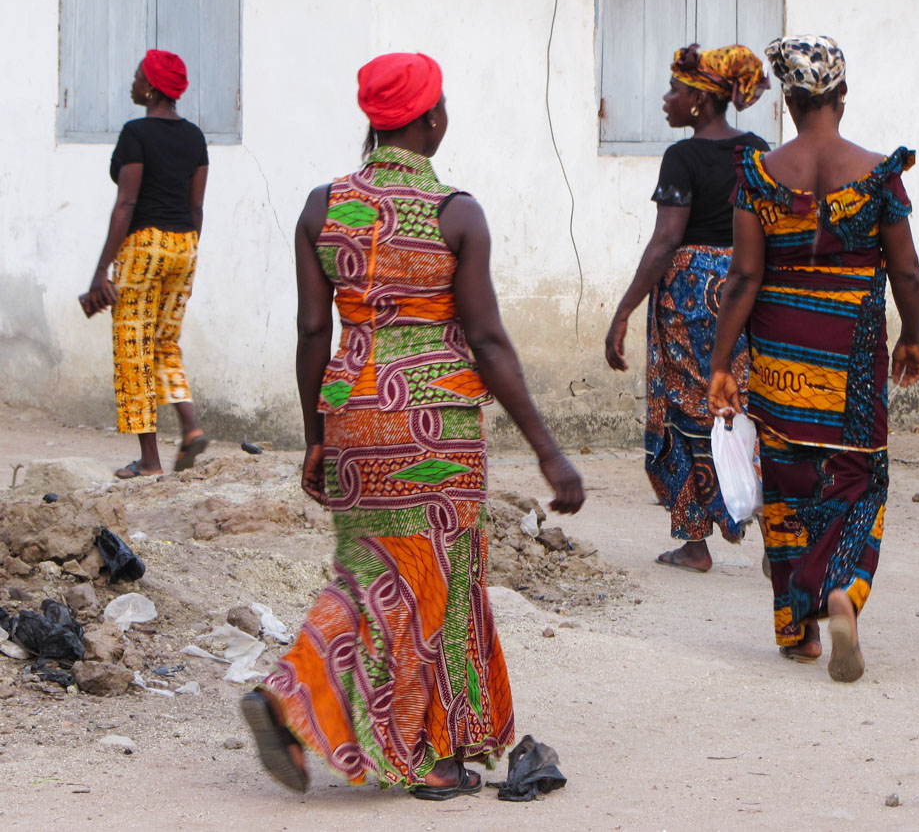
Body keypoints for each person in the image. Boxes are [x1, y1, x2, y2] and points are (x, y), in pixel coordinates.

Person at [240, 53, 585, 798]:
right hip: (435, 427)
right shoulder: (456, 213)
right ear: (432, 119)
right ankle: (412, 750)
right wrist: (549, 451)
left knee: (370, 572)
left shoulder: (320, 207)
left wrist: (317, 434)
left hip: (356, 414)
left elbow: (310, 332)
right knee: (435, 581)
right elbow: (489, 341)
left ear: (375, 121)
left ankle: (335, 712)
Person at [707, 36, 919, 682]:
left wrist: (723, 363)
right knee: (858, 477)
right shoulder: (880, 174)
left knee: (787, 476)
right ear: (842, 94)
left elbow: (744, 278)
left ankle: (799, 630)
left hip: (780, 351)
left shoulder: (760, 175)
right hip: (852, 350)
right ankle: (844, 591)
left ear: (789, 97)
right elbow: (906, 270)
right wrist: (910, 333)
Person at [604, 44, 770, 573]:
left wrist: (624, 310)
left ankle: (695, 543)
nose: (665, 98)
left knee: (680, 414)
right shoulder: (759, 149)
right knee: (744, 408)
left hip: (687, 303)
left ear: (699, 100)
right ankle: (776, 540)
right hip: (745, 291)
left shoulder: (683, 157)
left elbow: (665, 240)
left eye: (675, 89)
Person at [83, 49, 209, 478]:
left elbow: (128, 202)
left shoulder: (135, 133)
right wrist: (187, 253)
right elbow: (197, 206)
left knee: (133, 349)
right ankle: (190, 427)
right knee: (164, 342)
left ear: (152, 87)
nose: (132, 83)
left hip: (144, 245)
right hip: (184, 245)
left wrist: (102, 271)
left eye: (138, 76)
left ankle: (150, 461)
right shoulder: (194, 137)